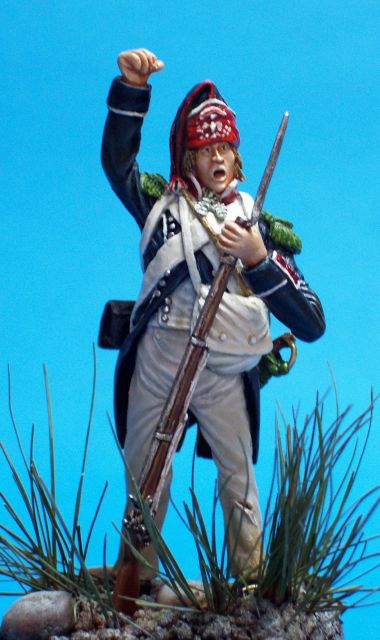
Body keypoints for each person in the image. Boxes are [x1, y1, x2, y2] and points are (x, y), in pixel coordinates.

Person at [101, 48, 325, 591]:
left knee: (239, 478)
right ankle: (137, 580)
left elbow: (312, 319)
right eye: (206, 149)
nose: (218, 158)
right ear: (189, 158)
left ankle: (249, 586)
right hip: (160, 355)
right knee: (144, 475)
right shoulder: (160, 203)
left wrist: (256, 258)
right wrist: (133, 90)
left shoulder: (259, 226)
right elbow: (118, 165)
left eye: (226, 147)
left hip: (222, 367)